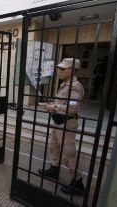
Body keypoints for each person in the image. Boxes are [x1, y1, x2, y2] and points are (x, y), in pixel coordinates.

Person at [38, 58, 85, 195]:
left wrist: (53, 106)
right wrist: (53, 104)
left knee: (68, 154)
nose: (59, 71)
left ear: (72, 70)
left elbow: (72, 108)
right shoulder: (65, 84)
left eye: (63, 69)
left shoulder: (74, 86)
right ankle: (54, 170)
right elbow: (63, 102)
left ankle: (77, 183)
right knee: (54, 147)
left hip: (67, 124)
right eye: (59, 68)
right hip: (58, 122)